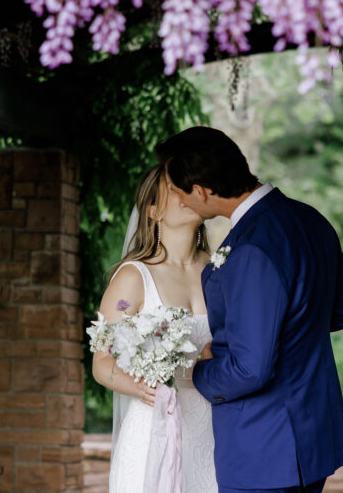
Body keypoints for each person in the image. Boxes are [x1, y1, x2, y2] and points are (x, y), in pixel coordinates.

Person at [155, 126, 343, 493]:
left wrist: (200, 370)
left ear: (200, 191)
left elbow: (250, 369)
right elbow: (341, 313)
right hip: (313, 435)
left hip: (265, 445)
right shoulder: (311, 219)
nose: (181, 202)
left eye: (180, 193)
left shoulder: (251, 248)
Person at [91, 163, 219, 492]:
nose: (189, 194)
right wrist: (141, 388)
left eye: (192, 187)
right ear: (153, 210)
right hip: (154, 429)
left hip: (215, 430)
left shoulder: (221, 270)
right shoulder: (133, 278)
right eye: (176, 189)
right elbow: (101, 363)